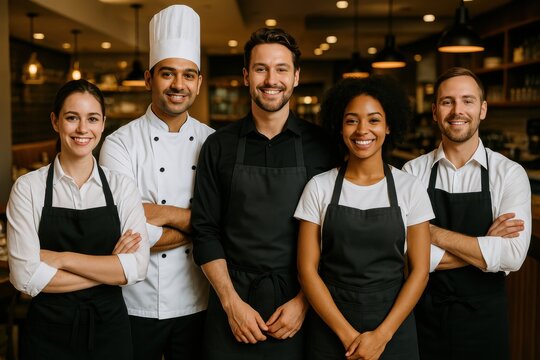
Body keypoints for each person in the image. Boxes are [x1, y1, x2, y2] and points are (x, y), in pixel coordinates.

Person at [191, 27, 338, 359]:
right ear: (246, 76)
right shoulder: (219, 145)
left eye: (281, 69)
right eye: (261, 69)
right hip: (232, 304)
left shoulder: (324, 146)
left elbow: (335, 234)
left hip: (299, 305)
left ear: (296, 77)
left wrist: (305, 301)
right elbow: (205, 230)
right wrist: (231, 304)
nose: (271, 79)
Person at [99, 5, 213, 360]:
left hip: (200, 303)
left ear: (199, 82)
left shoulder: (214, 143)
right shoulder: (119, 143)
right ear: (149, 78)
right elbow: (124, 230)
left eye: (188, 75)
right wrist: (198, 224)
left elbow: (228, 222)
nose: (179, 85)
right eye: (168, 74)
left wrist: (158, 214)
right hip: (134, 303)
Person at [6, 79, 149, 360]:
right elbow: (24, 277)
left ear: (103, 123)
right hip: (48, 335)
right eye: (72, 118)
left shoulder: (122, 186)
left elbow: (137, 267)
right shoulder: (28, 187)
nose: (83, 129)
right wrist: (110, 269)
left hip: (110, 332)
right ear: (55, 121)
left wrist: (62, 259)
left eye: (92, 119)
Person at [295, 76, 432, 360]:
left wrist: (382, 336)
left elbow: (419, 271)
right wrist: (347, 335)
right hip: (330, 328)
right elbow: (307, 270)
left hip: (394, 327)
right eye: (352, 120)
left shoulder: (410, 188)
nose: (363, 130)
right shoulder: (319, 187)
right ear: (340, 127)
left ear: (388, 126)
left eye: (374, 120)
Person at [402, 67, 531, 360]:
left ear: (482, 109)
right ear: (435, 111)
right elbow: (407, 251)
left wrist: (431, 233)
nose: (457, 111)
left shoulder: (509, 174)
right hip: (424, 319)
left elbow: (511, 255)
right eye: (447, 101)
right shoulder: (413, 172)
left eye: (468, 100)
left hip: (485, 322)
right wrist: (485, 248)